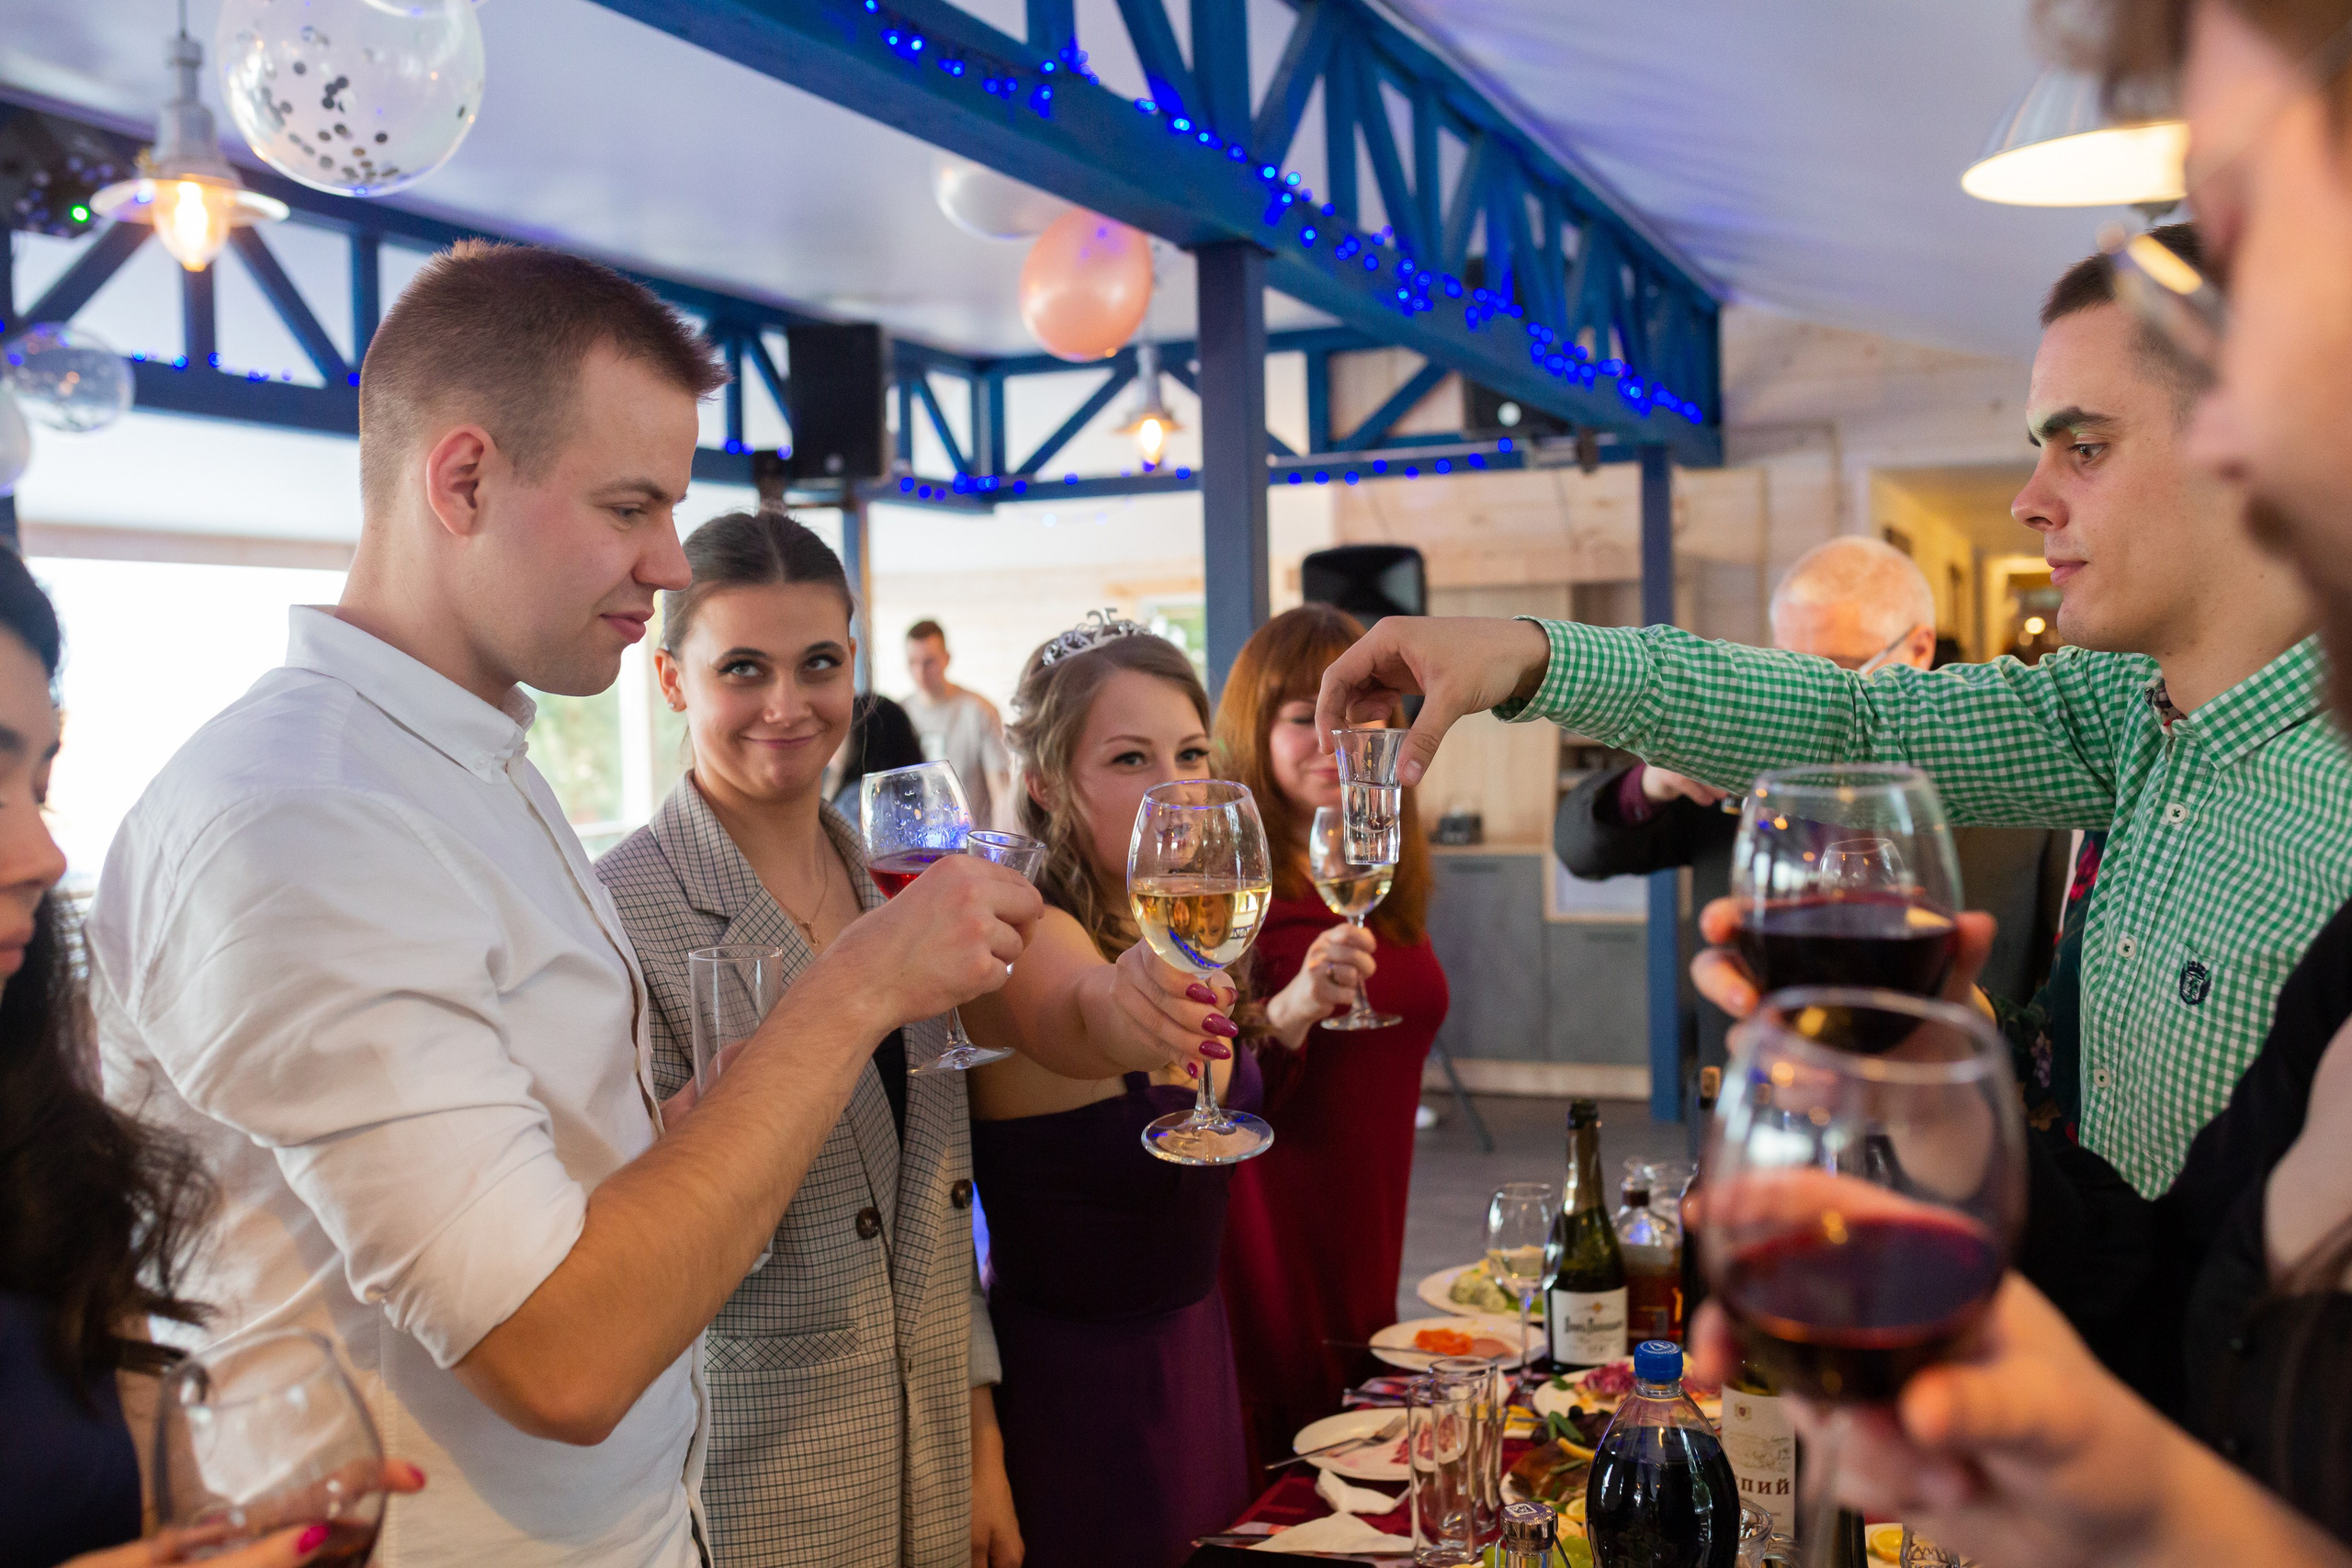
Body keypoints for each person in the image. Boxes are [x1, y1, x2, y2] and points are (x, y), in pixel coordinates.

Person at [92, 242, 1039, 1568]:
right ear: (464, 478)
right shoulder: (306, 815)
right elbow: (564, 1354)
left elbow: (558, 1179)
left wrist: (662, 1141)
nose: (664, 563)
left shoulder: (478, 761)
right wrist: (858, 983)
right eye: (630, 506)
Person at [1314, 223, 2349, 1213]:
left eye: (2083, 446)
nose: (2027, 500)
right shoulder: (2126, 707)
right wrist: (1533, 653)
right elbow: (1856, 728)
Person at [596, 511, 1070, 1565]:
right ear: (672, 682)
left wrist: (982, 1446)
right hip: (752, 1482)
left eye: (817, 663)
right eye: (742, 669)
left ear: (856, 667)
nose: (785, 704)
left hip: (937, 1460)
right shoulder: (616, 918)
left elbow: (941, 1214)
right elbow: (646, 1258)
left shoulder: (895, 889)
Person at [0, 552, 426, 1568]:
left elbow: (115, 1499)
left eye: (39, 786)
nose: (43, 855)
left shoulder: (37, 1149)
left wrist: (220, 1526)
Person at [959, 615, 1363, 1568]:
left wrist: (1287, 1011)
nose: (1178, 791)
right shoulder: (1028, 934)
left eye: (1191, 754)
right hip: (1082, 1410)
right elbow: (1086, 1008)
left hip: (1197, 1371)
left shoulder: (1181, 931)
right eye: (1131, 759)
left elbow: (1217, 1059)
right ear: (1047, 784)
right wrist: (1124, 995)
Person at [1555, 536, 2068, 1079]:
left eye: (1836, 669)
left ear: (1919, 648)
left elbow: (2052, 1001)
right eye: (1787, 671)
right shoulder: (1751, 752)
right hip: (1762, 1100)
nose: (1805, 697)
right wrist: (1649, 783)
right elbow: (1581, 848)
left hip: (1939, 1105)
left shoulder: (2020, 771)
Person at [1208, 604, 1444, 1477]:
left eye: (1358, 711)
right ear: (1252, 730)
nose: (1331, 737)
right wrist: (1295, 1007)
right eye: (1299, 715)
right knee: (1291, 1464)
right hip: (1272, 1234)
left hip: (1371, 1223)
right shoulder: (1225, 892)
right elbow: (1214, 1089)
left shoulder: (1381, 872)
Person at [903, 619, 1012, 828]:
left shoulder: (979, 711)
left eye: (929, 662)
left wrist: (998, 851)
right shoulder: (900, 714)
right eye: (913, 663)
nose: (920, 672)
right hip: (917, 849)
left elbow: (1000, 791)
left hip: (970, 847)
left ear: (946, 659)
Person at [829, 690, 926, 818]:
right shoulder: (913, 792)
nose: (831, 744)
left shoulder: (855, 801)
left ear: (860, 744)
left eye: (839, 735)